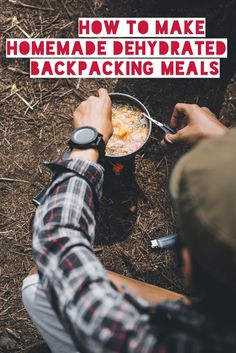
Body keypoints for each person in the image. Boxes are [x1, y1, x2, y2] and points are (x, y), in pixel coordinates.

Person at [22, 88, 236, 353]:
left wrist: (86, 144)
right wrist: (224, 143)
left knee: (38, 284)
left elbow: (57, 246)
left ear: (187, 263)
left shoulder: (144, 340)